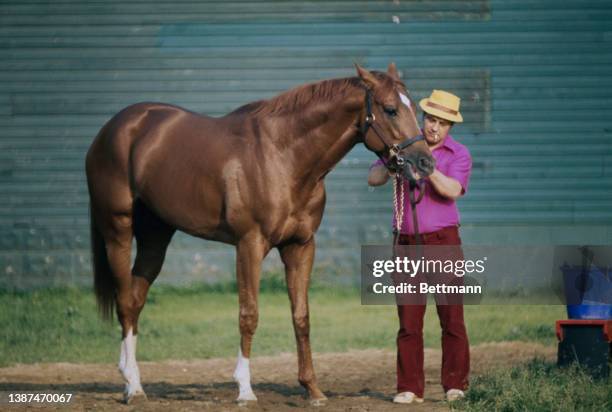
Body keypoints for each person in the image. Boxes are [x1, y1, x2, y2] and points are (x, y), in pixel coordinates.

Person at [368, 89, 472, 404]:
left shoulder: (459, 154)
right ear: (423, 118)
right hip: (405, 242)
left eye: (442, 123)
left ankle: (455, 384)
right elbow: (373, 179)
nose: (434, 128)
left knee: (451, 317)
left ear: (451, 127)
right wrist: (390, 165)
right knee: (409, 321)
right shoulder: (402, 146)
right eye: (431, 119)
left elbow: (453, 190)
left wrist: (429, 168)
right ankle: (409, 387)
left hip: (443, 241)